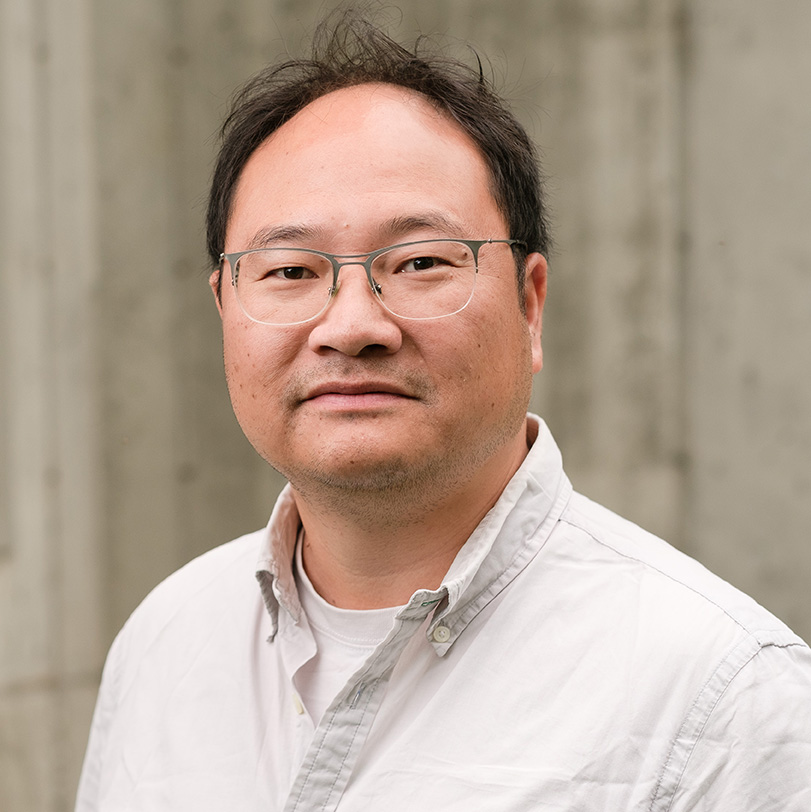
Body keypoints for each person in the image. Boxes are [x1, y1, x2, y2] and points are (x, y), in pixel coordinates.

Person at [75, 12, 811, 812]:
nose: (352, 325)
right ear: (224, 306)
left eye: (420, 261)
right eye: (289, 270)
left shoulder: (721, 697)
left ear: (530, 307)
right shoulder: (166, 641)